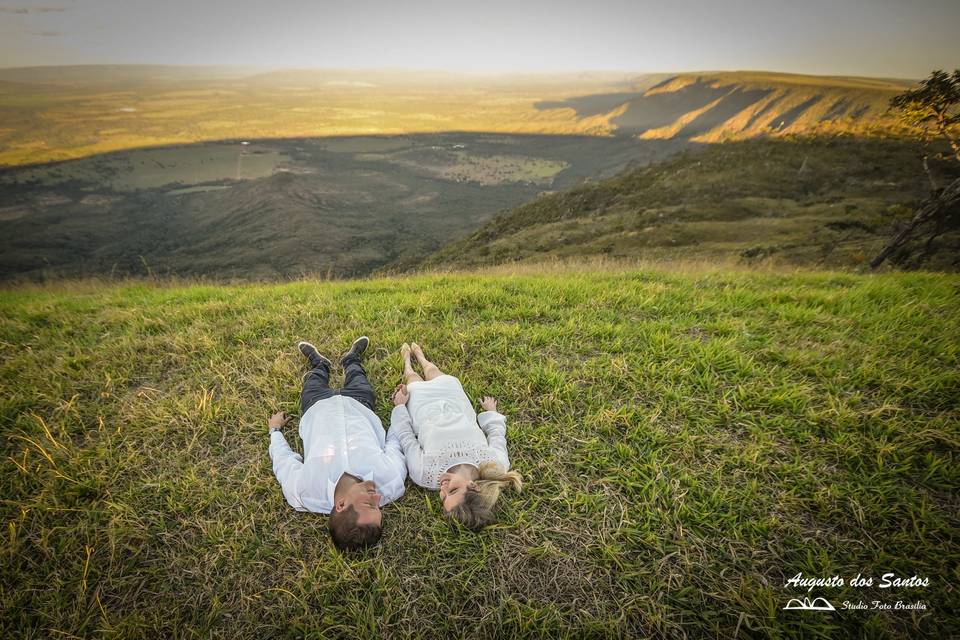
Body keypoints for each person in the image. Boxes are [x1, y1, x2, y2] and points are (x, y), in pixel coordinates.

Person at [268, 336, 407, 551]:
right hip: (360, 404)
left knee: (313, 380)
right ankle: (351, 358)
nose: (379, 497)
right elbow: (395, 442)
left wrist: (275, 430)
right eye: (378, 506)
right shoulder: (392, 482)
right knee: (357, 375)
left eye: (370, 503)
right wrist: (399, 407)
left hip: (316, 406)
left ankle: (319, 362)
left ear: (341, 505)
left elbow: (282, 461)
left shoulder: (303, 492)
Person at [389, 342, 521, 530]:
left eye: (443, 496)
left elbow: (406, 438)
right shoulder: (495, 464)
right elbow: (497, 435)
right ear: (474, 487)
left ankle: (407, 360)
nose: (442, 488)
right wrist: (492, 412)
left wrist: (400, 406)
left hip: (422, 408)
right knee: (433, 370)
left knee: (412, 377)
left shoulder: (423, 473)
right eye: (453, 490)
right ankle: (420, 355)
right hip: (454, 400)